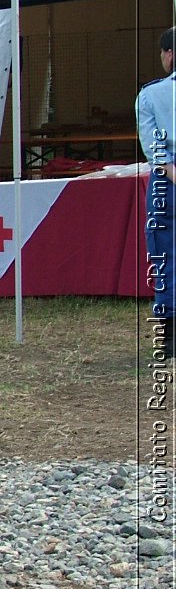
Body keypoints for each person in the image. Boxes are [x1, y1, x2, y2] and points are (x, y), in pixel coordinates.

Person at [137, 26, 176, 361]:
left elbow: (154, 147)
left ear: (170, 54)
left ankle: (169, 335)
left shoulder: (151, 95)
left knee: (164, 257)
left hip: (167, 182)